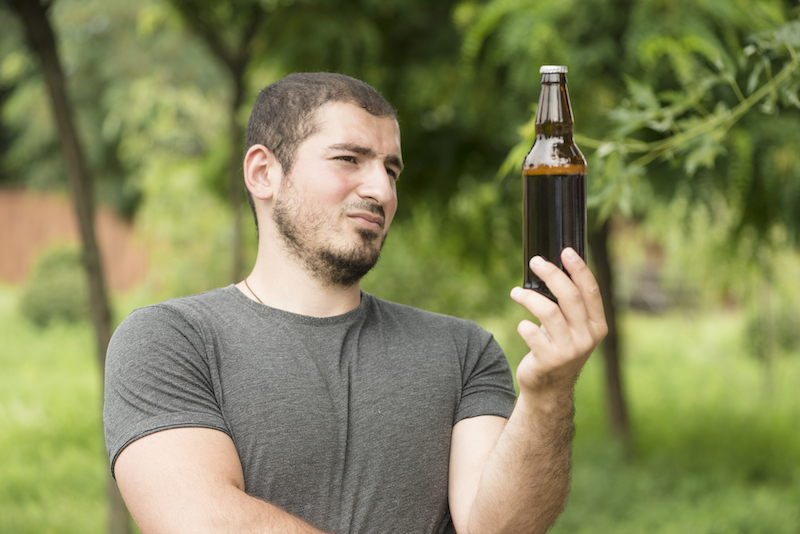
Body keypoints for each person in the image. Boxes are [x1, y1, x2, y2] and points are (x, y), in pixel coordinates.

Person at [103, 72, 608, 534]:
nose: (382, 189)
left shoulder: (463, 351)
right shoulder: (170, 340)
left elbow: (499, 528)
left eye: (392, 169)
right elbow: (205, 522)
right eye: (350, 159)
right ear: (262, 172)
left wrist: (548, 393)